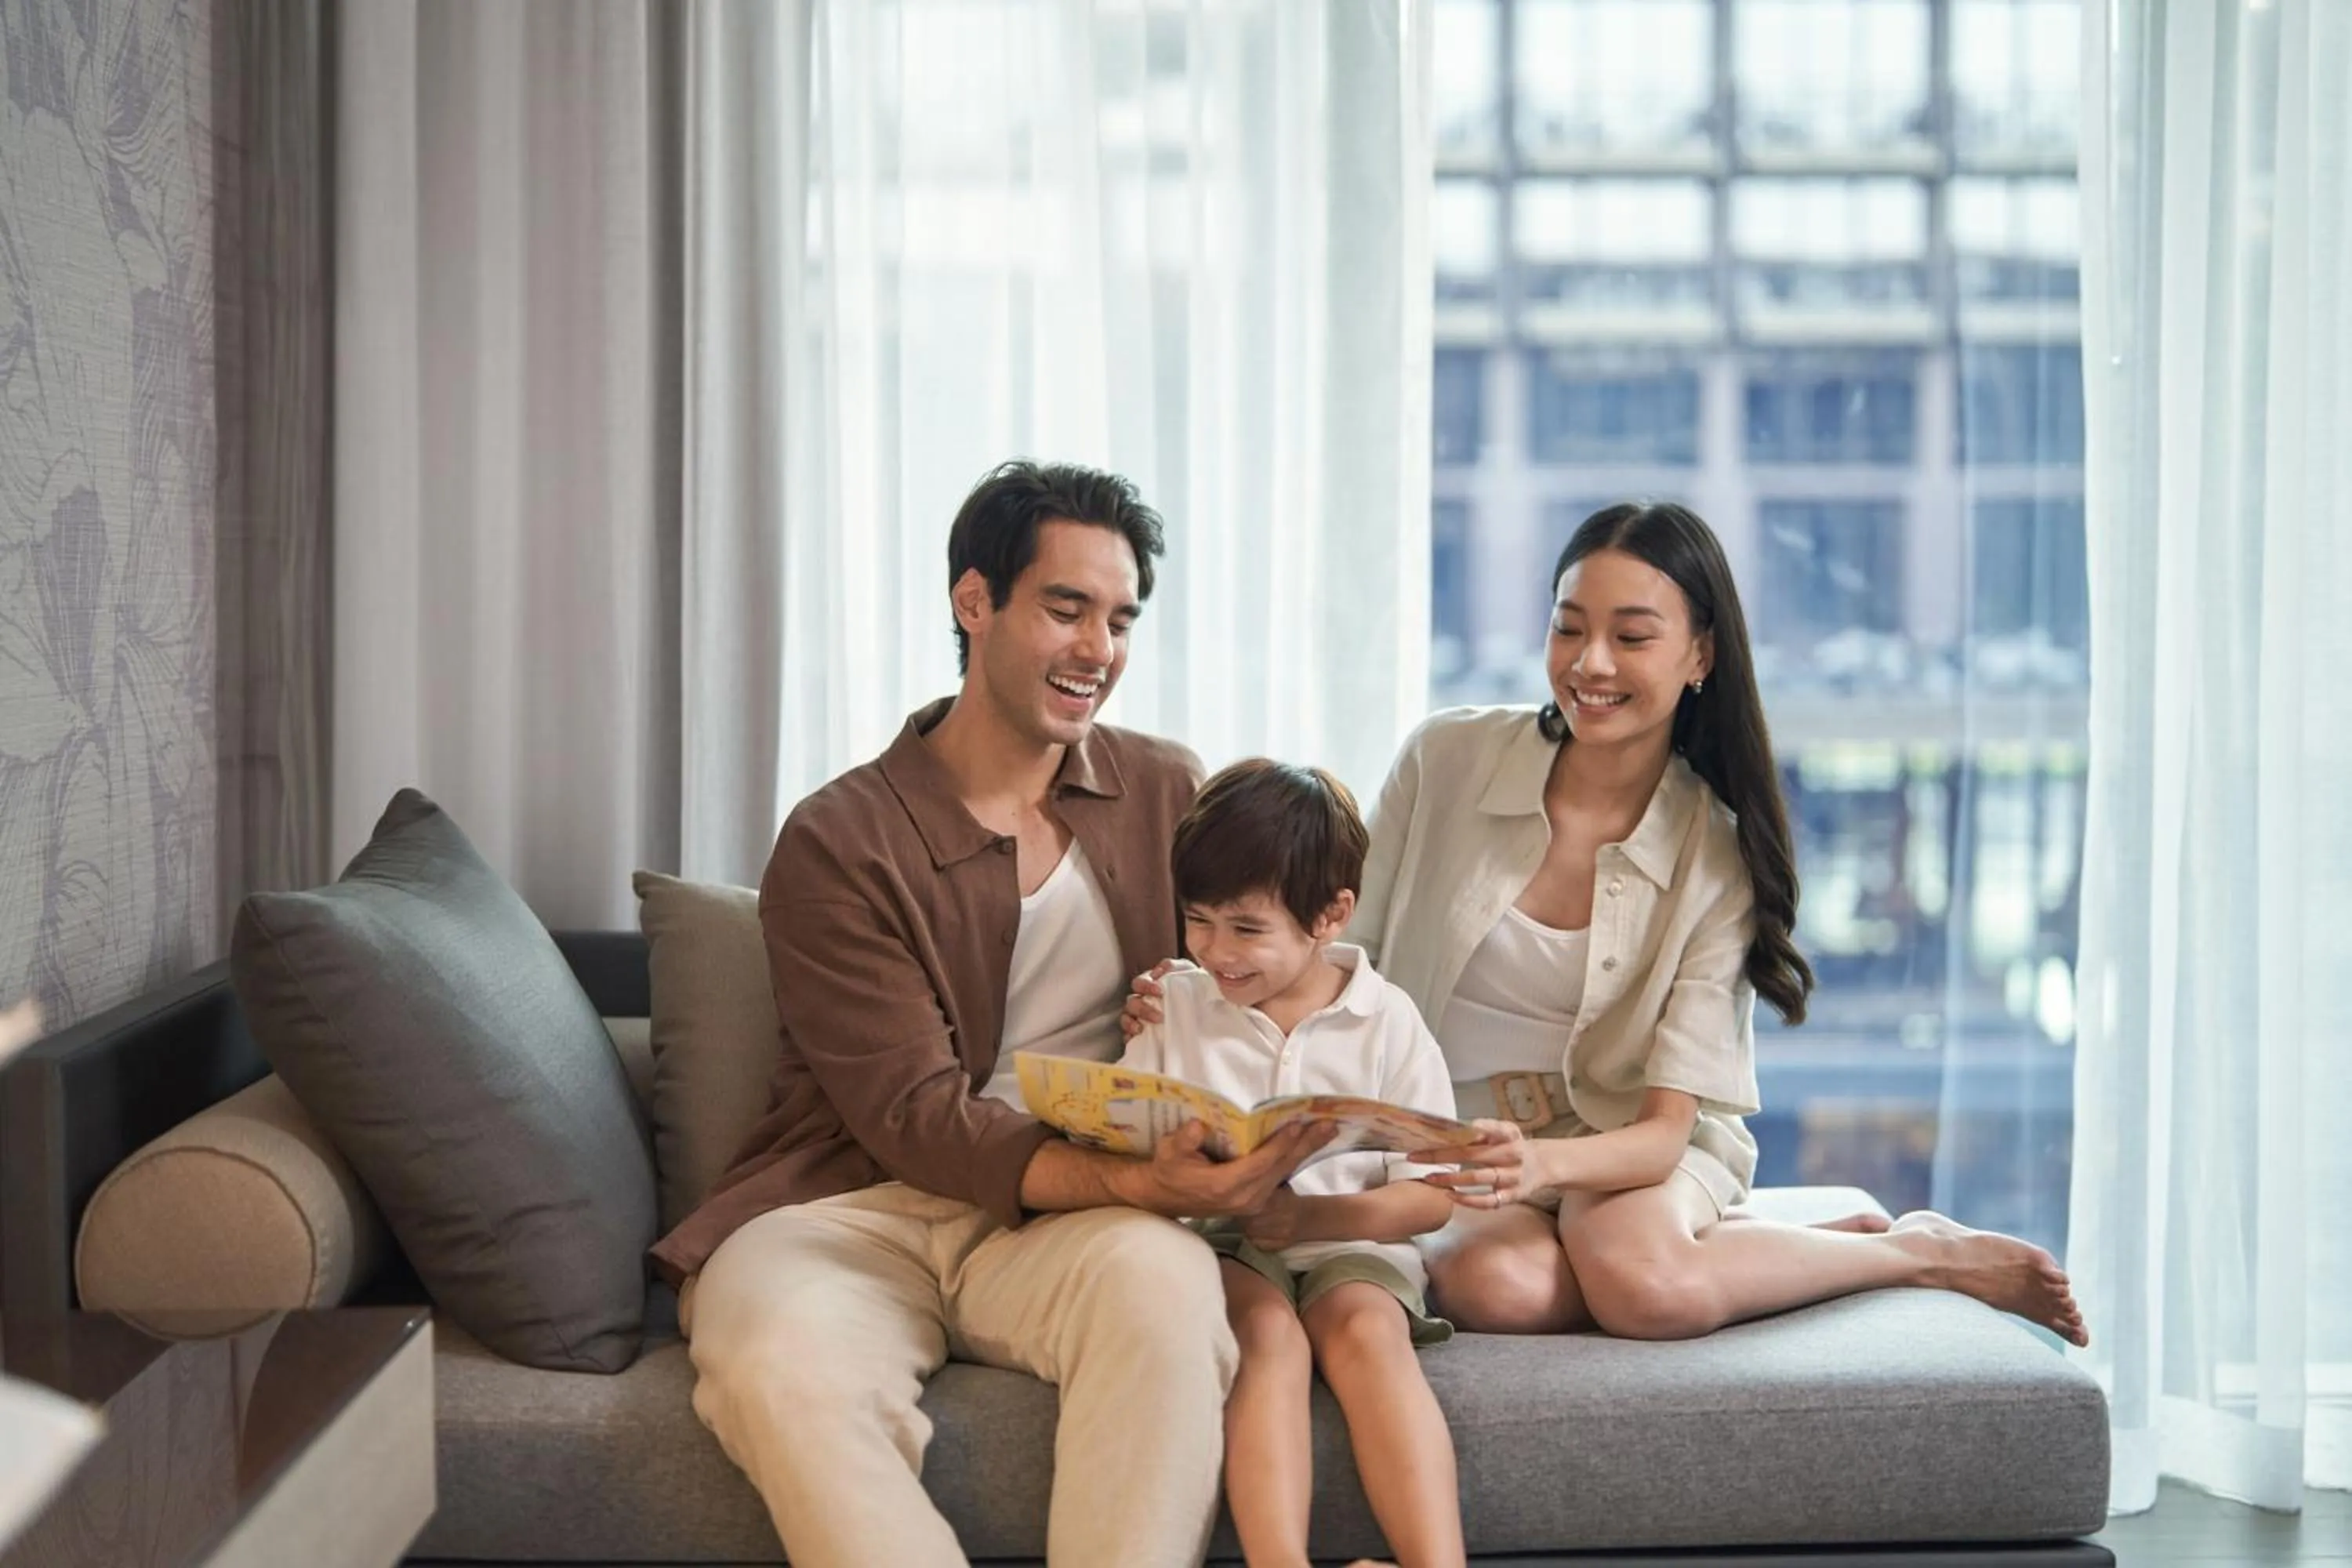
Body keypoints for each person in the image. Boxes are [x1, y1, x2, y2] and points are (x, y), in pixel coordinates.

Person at [1128, 500, 2086, 1348]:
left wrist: (1541, 1163)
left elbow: (1666, 1131)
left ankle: (1916, 1255)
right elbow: (1333, 947)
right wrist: (1195, 990)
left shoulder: (1715, 849)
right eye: (1570, 628)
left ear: (1699, 654)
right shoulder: (1447, 757)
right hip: (1458, 1139)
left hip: (1623, 1145)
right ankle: (1735, 1250)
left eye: (1632, 637)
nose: (1590, 663)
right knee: (1495, 1286)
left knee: (1645, 1290)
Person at [655, 460, 1332, 1568]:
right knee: (774, 1361)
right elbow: (915, 1118)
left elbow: (1273, 964)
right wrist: (1137, 1181)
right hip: (856, 1210)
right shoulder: (841, 838)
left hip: (1072, 1221)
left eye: (1120, 620)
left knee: (1167, 1295)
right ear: (975, 602)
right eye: (1065, 608)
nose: (1098, 651)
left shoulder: (1167, 790)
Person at [1120, 759, 1463, 1568]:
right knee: (1264, 1333)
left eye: (1246, 929)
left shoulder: (1387, 1017)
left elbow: (1432, 1197)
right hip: (1226, 1241)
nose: (1215, 951)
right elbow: (1127, 1140)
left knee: (1367, 1329)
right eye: (1197, 921)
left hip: (1351, 1240)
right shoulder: (1176, 1001)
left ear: (1330, 915)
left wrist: (1311, 1218)